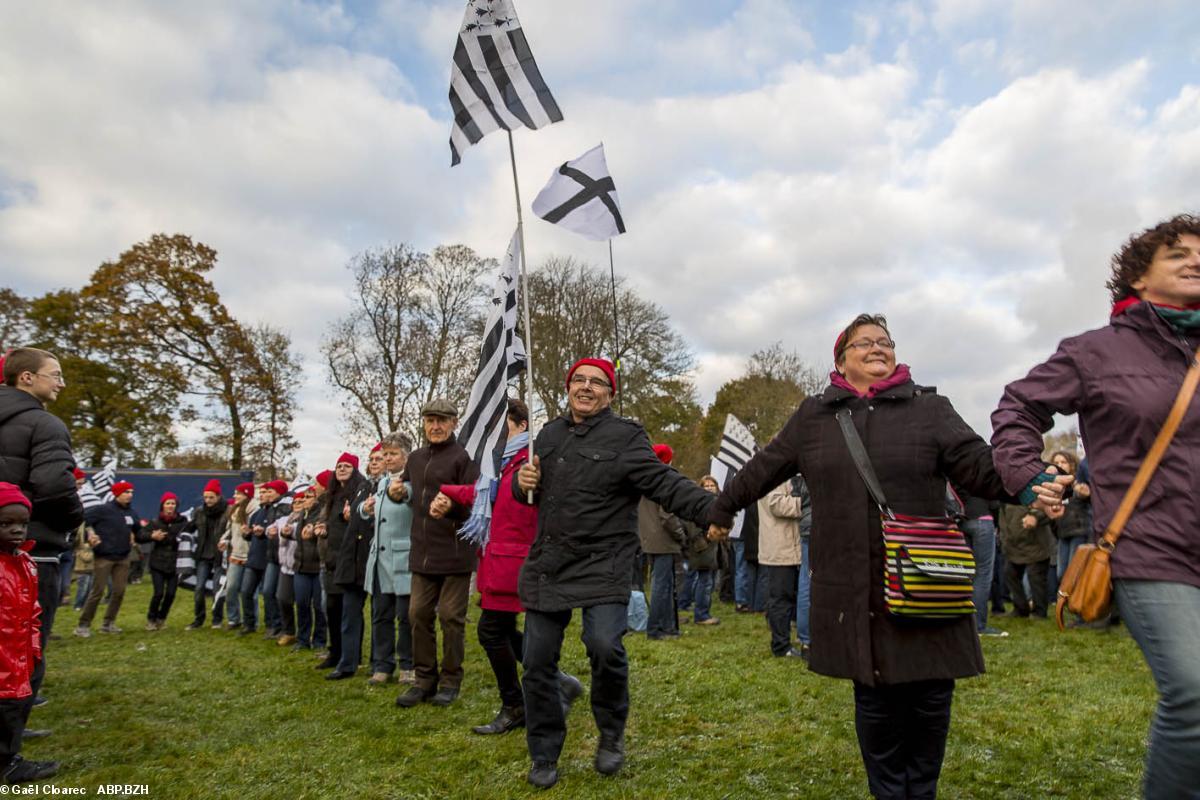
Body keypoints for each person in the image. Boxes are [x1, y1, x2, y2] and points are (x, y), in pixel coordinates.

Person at [708, 314, 1067, 800]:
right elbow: (763, 469)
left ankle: (920, 791)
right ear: (840, 359)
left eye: (885, 341)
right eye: (864, 343)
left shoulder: (930, 409)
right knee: (875, 701)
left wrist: (1028, 483)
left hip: (925, 578)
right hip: (854, 583)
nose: (878, 348)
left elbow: (979, 466)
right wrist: (721, 508)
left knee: (931, 698)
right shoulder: (813, 416)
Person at [991, 214, 1200, 799]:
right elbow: (1017, 407)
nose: (1196, 261)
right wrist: (1029, 473)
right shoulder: (1095, 352)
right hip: (1148, 550)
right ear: (1138, 274)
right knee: (1194, 692)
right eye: (1177, 253)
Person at [514, 358, 715, 789]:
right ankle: (544, 751)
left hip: (604, 561)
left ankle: (610, 732)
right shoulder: (547, 434)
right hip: (550, 564)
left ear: (610, 393)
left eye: (597, 383)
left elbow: (663, 482)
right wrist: (521, 481)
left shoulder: (626, 436)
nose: (586, 388)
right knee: (535, 661)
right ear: (568, 387)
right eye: (578, 380)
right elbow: (528, 490)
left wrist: (710, 508)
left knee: (604, 646)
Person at [434, 398, 584, 736]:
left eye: (497, 424)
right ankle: (552, 686)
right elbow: (489, 495)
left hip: (517, 559)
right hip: (499, 558)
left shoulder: (529, 458)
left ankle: (520, 701)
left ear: (519, 424)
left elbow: (520, 495)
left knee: (493, 631)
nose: (491, 432)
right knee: (500, 631)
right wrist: (446, 490)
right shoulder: (499, 463)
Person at [0, 347, 84, 725]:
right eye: (55, 374)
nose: (61, 383)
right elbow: (54, 486)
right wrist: (71, 520)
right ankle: (10, 747)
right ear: (27, 377)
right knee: (27, 645)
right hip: (33, 549)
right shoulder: (45, 424)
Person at [393, 399, 479, 709]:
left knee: (450, 617)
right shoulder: (414, 458)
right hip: (423, 553)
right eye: (430, 420)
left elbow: (476, 502)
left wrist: (452, 507)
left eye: (442, 420)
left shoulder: (464, 457)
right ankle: (424, 681)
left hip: (456, 553)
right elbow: (404, 488)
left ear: (454, 423)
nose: (436, 426)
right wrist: (397, 491)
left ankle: (451, 680)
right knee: (417, 614)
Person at [0, 483, 58, 785]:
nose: (16, 530)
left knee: (14, 707)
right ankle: (8, 764)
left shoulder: (25, 562)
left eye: (22, 523)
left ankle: (10, 759)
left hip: (18, 654)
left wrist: (32, 647)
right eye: (6, 523)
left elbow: (33, 611)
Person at [363, 432, 415, 686]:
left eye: (393, 453)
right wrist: (365, 509)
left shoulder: (413, 479)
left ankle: (408, 665)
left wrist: (405, 493)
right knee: (380, 615)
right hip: (379, 560)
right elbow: (374, 513)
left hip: (403, 558)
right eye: (385, 454)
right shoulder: (382, 482)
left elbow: (415, 501)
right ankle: (382, 665)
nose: (387, 458)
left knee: (406, 617)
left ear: (406, 455)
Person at [329, 447, 383, 680]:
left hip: (375, 556)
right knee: (349, 614)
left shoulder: (390, 485)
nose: (374, 463)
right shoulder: (363, 487)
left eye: (379, 459)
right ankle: (347, 662)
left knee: (379, 614)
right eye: (371, 460)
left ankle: (378, 663)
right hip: (352, 558)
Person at [315, 454, 365, 670]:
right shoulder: (331, 496)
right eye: (339, 466)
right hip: (331, 559)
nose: (342, 469)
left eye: (347, 466)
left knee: (349, 612)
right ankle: (334, 652)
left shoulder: (358, 492)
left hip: (350, 560)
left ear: (355, 470)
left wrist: (350, 517)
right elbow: (325, 520)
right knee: (332, 609)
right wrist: (321, 528)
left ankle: (351, 656)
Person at [76, 481, 139, 637]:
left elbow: (139, 532)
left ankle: (108, 623)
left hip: (123, 557)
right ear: (117, 494)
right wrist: (89, 534)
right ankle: (83, 625)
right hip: (104, 557)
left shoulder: (132, 513)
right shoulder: (103, 510)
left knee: (119, 591)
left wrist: (149, 535)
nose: (130, 495)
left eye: (131, 492)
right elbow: (82, 520)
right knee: (97, 592)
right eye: (126, 492)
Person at [637, 444, 687, 640]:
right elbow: (667, 515)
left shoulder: (645, 478)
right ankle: (656, 629)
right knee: (661, 586)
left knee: (662, 584)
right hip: (663, 539)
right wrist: (681, 534)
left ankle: (667, 626)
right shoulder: (663, 479)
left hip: (649, 538)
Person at [758, 477, 808, 658]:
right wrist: (806, 502)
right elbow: (776, 503)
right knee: (781, 598)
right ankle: (780, 645)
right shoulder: (775, 475)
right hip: (780, 547)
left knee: (786, 597)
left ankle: (784, 639)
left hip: (788, 547)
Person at [138, 492, 186, 630]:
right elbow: (140, 535)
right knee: (158, 593)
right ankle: (151, 619)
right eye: (167, 503)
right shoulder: (155, 522)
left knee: (171, 594)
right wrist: (152, 536)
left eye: (173, 503)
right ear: (162, 506)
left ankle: (162, 618)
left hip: (175, 562)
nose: (170, 506)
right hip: (158, 562)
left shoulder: (182, 522)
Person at [996, 503, 1054, 618]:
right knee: (1010, 573)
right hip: (1013, 546)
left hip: (1036, 545)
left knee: (1036, 578)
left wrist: (1035, 516)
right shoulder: (1004, 495)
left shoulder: (1030, 490)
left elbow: (1048, 507)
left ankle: (1040, 612)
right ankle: (1021, 608)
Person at [185, 480, 230, 630]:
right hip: (203, 555)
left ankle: (217, 619)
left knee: (218, 589)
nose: (208, 500)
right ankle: (199, 618)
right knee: (199, 589)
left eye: (211, 497)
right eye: (205, 497)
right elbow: (189, 528)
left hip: (219, 556)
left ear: (218, 496)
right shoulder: (199, 512)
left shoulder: (228, 511)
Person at [679, 475, 721, 625]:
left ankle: (701, 610)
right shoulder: (697, 503)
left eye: (712, 485)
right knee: (705, 581)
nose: (710, 488)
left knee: (706, 580)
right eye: (706, 486)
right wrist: (702, 540)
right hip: (702, 546)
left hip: (714, 547)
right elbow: (691, 525)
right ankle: (702, 614)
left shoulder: (717, 502)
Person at [292, 484, 327, 653]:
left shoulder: (320, 513)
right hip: (301, 564)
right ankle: (303, 639)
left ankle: (320, 639)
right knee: (302, 603)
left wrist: (314, 531)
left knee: (319, 606)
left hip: (316, 565)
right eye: (303, 498)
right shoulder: (301, 515)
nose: (304, 501)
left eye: (308, 497)